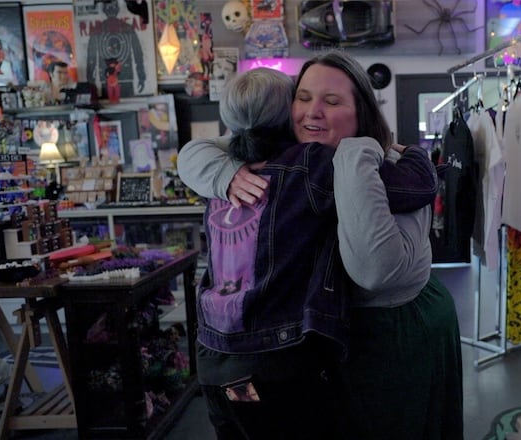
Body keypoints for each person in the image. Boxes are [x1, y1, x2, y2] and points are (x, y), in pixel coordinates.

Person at [178, 49, 464, 439]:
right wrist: (220, 172)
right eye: (303, 97)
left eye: (331, 101)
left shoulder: (349, 163)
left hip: (391, 338)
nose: (313, 111)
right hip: (288, 351)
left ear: (361, 112)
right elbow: (198, 151)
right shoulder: (284, 162)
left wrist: (388, 156)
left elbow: (377, 266)